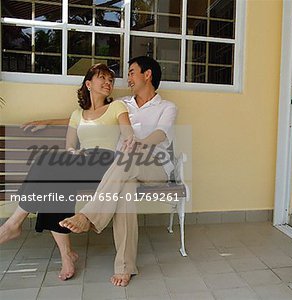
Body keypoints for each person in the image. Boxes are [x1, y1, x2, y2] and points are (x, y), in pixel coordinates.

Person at [21, 56, 178, 287]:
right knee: (125, 189)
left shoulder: (167, 107)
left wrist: (140, 143)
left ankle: (87, 216)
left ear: (148, 75)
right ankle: (125, 266)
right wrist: (49, 122)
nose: (128, 78)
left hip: (154, 165)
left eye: (132, 72)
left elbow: (162, 134)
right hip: (123, 170)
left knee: (126, 161)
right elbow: (87, 118)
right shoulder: (123, 104)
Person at [0, 64, 133, 281]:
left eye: (111, 80)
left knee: (48, 165)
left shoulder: (117, 107)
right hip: (82, 162)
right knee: (55, 184)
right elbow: (70, 145)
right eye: (103, 78)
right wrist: (74, 153)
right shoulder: (77, 114)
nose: (108, 83)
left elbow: (127, 132)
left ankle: (13, 224)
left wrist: (129, 141)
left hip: (106, 163)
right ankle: (67, 255)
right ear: (89, 84)